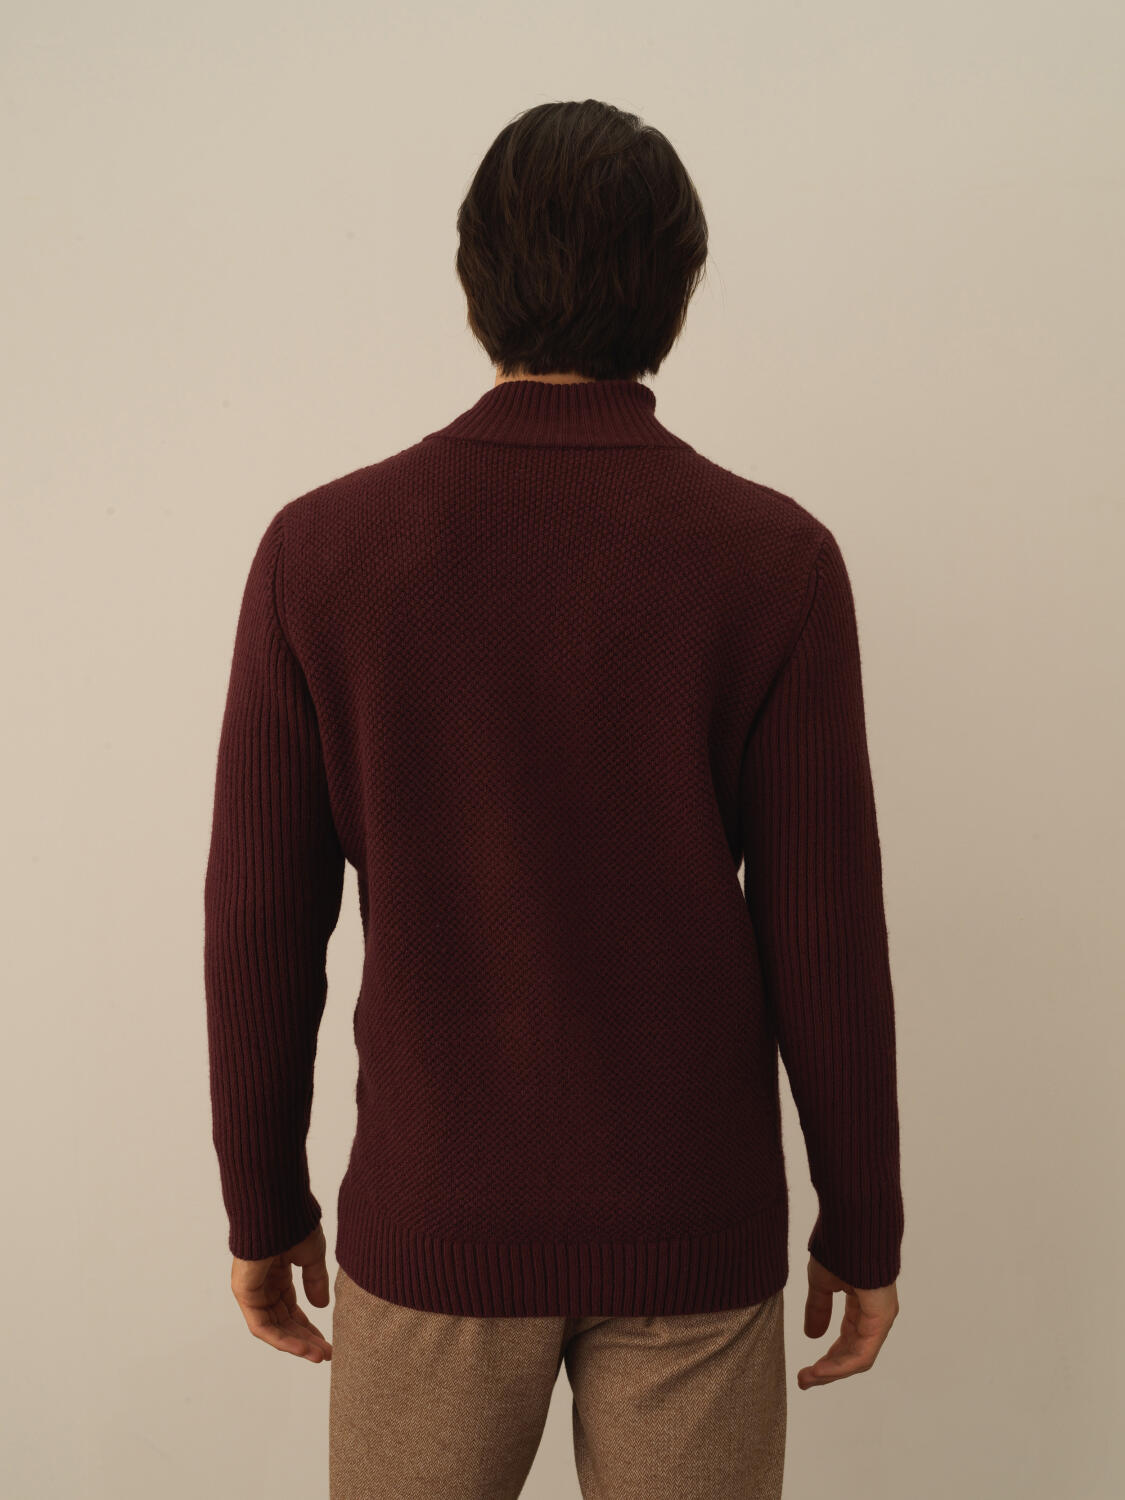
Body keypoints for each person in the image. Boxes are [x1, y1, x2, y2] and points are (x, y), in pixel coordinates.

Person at [204, 97, 903, 1499]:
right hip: (690, 1231)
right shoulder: (773, 560)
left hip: (434, 1226)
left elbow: (261, 924)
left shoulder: (321, 554)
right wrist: (862, 1223)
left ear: (473, 277)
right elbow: (824, 935)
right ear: (678, 288)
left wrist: (262, 1204)